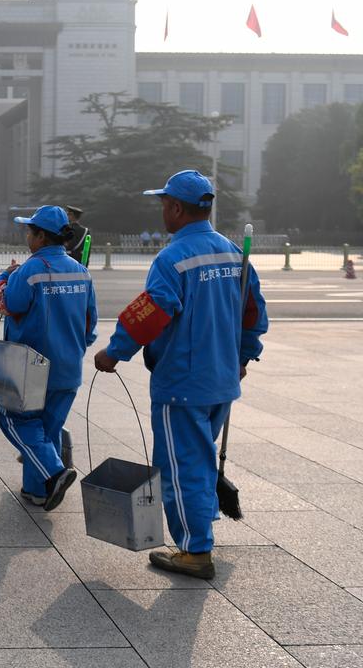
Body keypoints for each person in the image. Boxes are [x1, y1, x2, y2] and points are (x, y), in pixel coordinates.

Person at [95, 170, 268, 580]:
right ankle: (200, 527)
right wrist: (244, 356)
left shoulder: (172, 258)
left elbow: (151, 311)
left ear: (175, 208)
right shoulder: (232, 253)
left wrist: (114, 352)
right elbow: (253, 313)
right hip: (222, 381)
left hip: (182, 385)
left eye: (163, 204)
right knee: (198, 461)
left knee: (181, 469)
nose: (162, 212)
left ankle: (194, 551)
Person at [0, 205, 96, 511]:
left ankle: (53, 473)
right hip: (69, 366)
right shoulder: (81, 272)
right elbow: (90, 325)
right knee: (47, 428)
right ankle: (37, 490)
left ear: (40, 236)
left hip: (31, 364)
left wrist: (3, 278)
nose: (27, 236)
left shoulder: (30, 270)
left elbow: (8, 304)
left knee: (12, 419)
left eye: (29, 231)